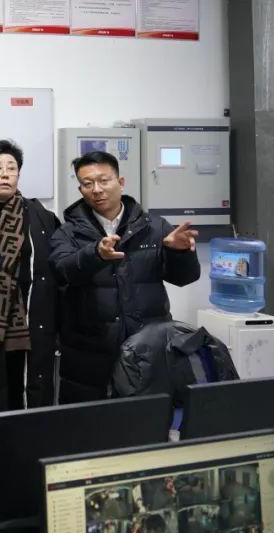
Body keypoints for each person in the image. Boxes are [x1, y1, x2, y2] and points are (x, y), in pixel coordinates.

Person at [49, 150, 200, 403]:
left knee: (146, 420)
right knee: (88, 422)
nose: (97, 190)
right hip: (89, 352)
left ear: (120, 182)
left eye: (104, 180)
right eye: (88, 184)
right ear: (80, 189)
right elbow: (62, 271)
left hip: (147, 349)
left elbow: (184, 278)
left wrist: (180, 253)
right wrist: (95, 254)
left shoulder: (154, 228)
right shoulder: (68, 232)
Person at [0, 139, 62, 413]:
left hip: (26, 318)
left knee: (22, 388)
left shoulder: (39, 216)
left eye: (12, 168)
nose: (5, 174)